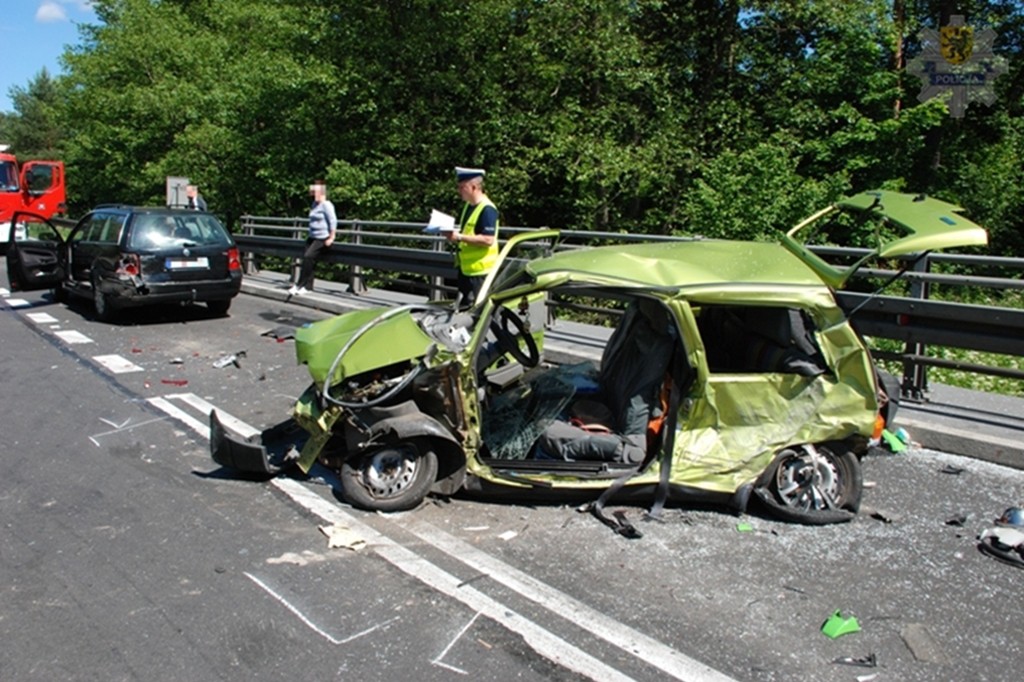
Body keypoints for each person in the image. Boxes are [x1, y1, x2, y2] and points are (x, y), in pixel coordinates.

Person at [446, 166, 499, 308]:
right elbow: (468, 231)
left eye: (462, 187)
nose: (459, 191)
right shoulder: (468, 207)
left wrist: (459, 237)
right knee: (465, 309)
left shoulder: (487, 209)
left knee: (480, 312)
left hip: (481, 272)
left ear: (474, 187)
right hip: (467, 269)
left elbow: (488, 239)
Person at [290, 181, 337, 296]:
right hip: (312, 237)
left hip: (322, 238)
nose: (313, 195)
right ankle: (308, 287)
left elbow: (333, 220)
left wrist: (331, 237)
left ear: (321, 193)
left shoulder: (326, 205)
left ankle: (300, 284)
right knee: (307, 260)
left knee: (308, 257)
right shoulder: (314, 205)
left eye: (315, 193)